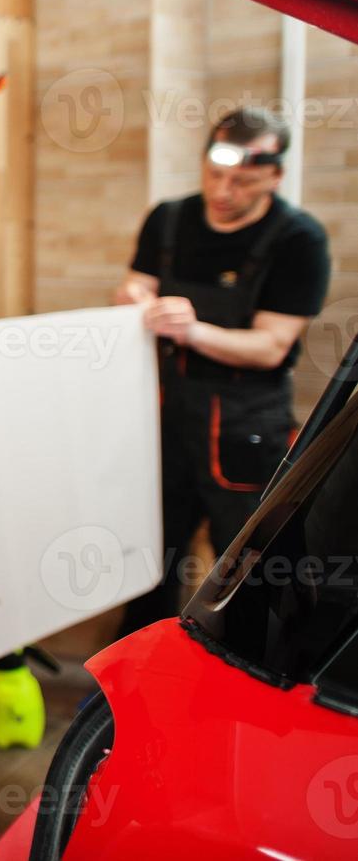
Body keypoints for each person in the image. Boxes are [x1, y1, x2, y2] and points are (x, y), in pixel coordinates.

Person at [114, 107, 330, 636]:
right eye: (214, 175)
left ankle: (238, 674)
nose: (222, 190)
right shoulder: (168, 218)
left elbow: (271, 346)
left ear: (275, 175)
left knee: (245, 565)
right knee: (153, 552)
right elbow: (134, 285)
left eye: (241, 180)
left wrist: (191, 330)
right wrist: (135, 298)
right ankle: (137, 666)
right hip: (166, 412)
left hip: (243, 425)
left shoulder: (298, 240)